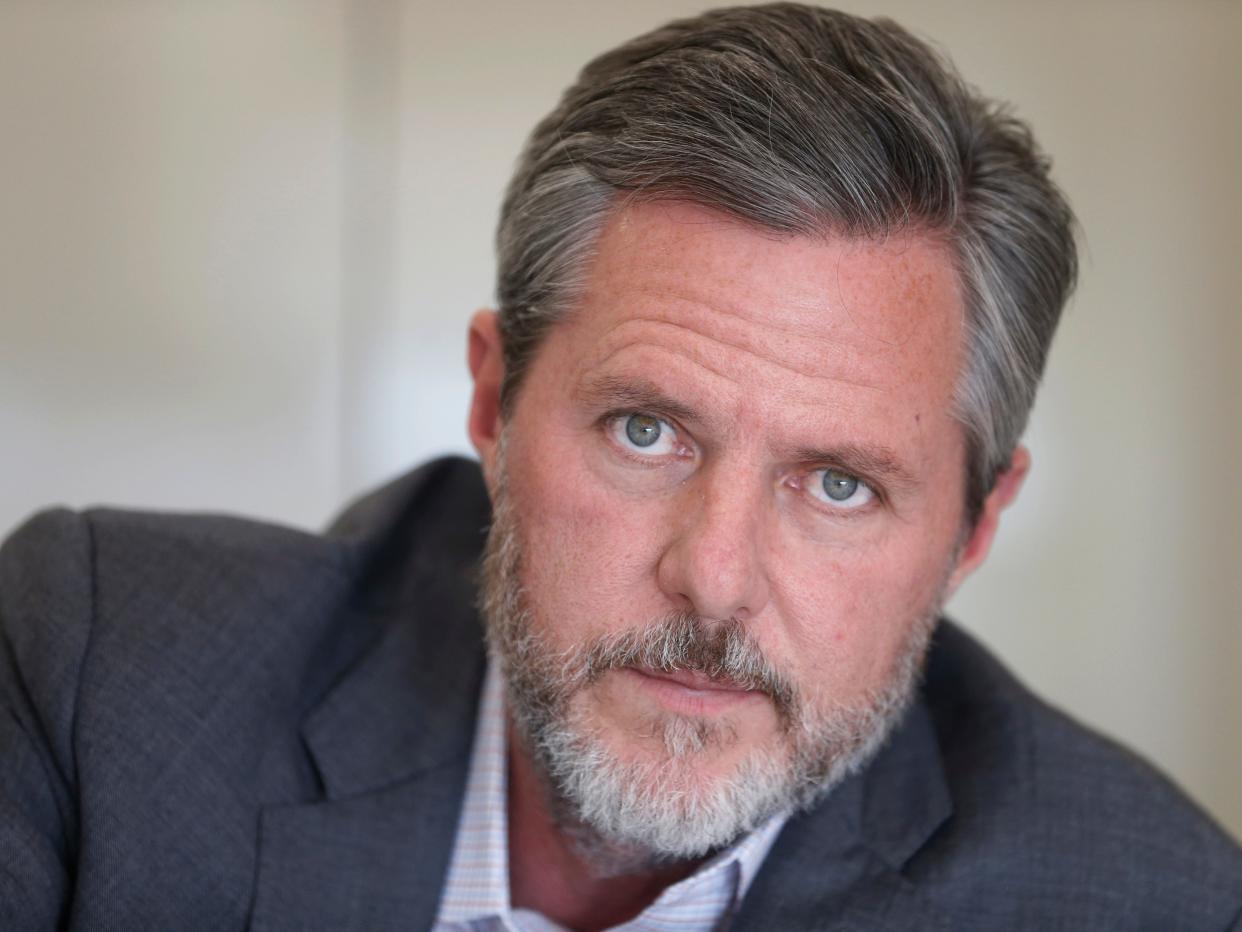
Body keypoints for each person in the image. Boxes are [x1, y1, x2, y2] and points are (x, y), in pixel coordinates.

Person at [1, 3, 1239, 929]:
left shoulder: (1144, 898)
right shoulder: (101, 674)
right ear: (493, 400)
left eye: (840, 483)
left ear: (974, 530)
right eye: (648, 430)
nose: (712, 577)